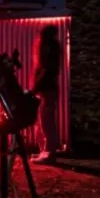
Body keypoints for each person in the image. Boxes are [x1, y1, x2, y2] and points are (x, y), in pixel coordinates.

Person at [32, 24, 62, 163]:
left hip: (47, 89)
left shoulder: (49, 48)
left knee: (46, 121)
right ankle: (46, 152)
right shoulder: (53, 47)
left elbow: (46, 70)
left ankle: (49, 153)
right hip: (48, 88)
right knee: (44, 120)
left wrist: (35, 87)